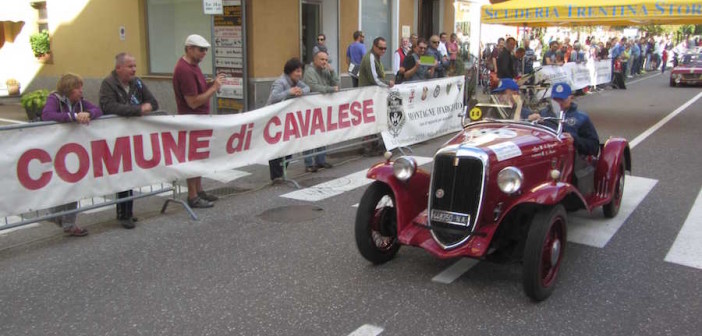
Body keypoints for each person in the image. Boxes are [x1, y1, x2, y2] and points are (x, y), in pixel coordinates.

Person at [99, 52, 160, 228]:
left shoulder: (137, 83)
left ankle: (129, 211)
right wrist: (138, 109)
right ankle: (122, 213)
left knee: (131, 173)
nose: (134, 69)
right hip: (115, 135)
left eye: (134, 66)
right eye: (130, 66)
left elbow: (153, 103)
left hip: (134, 134)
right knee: (121, 173)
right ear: (119, 68)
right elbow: (109, 107)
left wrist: (142, 107)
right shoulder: (108, 84)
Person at [41, 73, 103, 237]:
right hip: (56, 148)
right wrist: (73, 117)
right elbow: (47, 115)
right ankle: (54, 214)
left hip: (74, 150)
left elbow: (98, 110)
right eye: (78, 88)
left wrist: (89, 114)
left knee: (73, 185)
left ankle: (67, 222)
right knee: (62, 184)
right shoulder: (54, 99)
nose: (81, 91)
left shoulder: (80, 103)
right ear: (69, 89)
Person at [172, 34, 224, 209]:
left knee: (199, 157)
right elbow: (192, 102)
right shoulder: (185, 69)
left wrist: (209, 84)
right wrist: (214, 88)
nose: (204, 53)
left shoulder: (193, 67)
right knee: (193, 158)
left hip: (199, 119)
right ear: (189, 49)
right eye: (201, 50)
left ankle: (199, 190)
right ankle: (192, 195)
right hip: (191, 119)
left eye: (206, 50)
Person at [267, 57, 310, 179]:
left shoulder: (296, 82)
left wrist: (301, 91)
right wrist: (289, 92)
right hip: (274, 119)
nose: (299, 74)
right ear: (290, 71)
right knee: (276, 149)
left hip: (286, 120)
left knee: (289, 148)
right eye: (297, 71)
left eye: (301, 71)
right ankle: (276, 176)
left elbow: (307, 88)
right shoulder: (280, 82)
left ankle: (281, 173)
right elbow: (273, 98)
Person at [302, 51, 337, 172]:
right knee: (310, 135)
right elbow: (314, 87)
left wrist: (332, 72)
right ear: (315, 60)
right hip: (310, 107)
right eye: (322, 59)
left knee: (322, 133)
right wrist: (331, 89)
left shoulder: (326, 70)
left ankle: (320, 160)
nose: (324, 62)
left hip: (323, 107)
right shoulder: (309, 72)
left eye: (326, 60)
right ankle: (308, 163)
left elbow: (337, 83)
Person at [551, 82, 600, 156]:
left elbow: (594, 146)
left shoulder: (582, 118)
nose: (559, 103)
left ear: (571, 98)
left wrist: (574, 140)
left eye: (562, 99)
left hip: (574, 158)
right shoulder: (543, 114)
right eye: (555, 100)